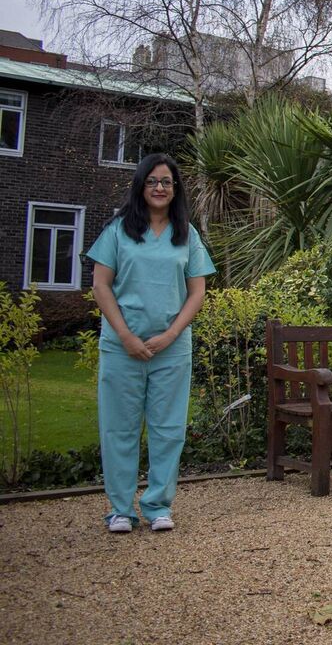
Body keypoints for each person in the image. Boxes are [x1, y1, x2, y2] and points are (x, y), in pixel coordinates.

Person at [87, 154, 215, 533]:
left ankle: (158, 504)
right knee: (119, 428)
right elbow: (100, 285)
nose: (160, 188)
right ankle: (120, 510)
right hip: (121, 347)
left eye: (167, 182)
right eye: (152, 181)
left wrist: (172, 334)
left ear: (175, 190)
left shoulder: (186, 234)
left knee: (168, 427)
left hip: (171, 348)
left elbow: (197, 291)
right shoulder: (117, 231)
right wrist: (126, 336)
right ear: (140, 186)